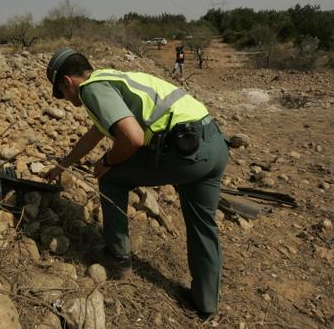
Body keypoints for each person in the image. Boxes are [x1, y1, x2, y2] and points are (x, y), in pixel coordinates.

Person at [43, 47, 229, 317]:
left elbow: (132, 138)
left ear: (66, 82)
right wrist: (62, 165)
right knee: (204, 226)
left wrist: (106, 162)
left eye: (62, 93)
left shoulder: (91, 90)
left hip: (185, 151)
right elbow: (95, 134)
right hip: (212, 144)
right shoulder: (111, 78)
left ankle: (117, 258)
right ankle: (206, 304)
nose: (66, 98)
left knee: (112, 178)